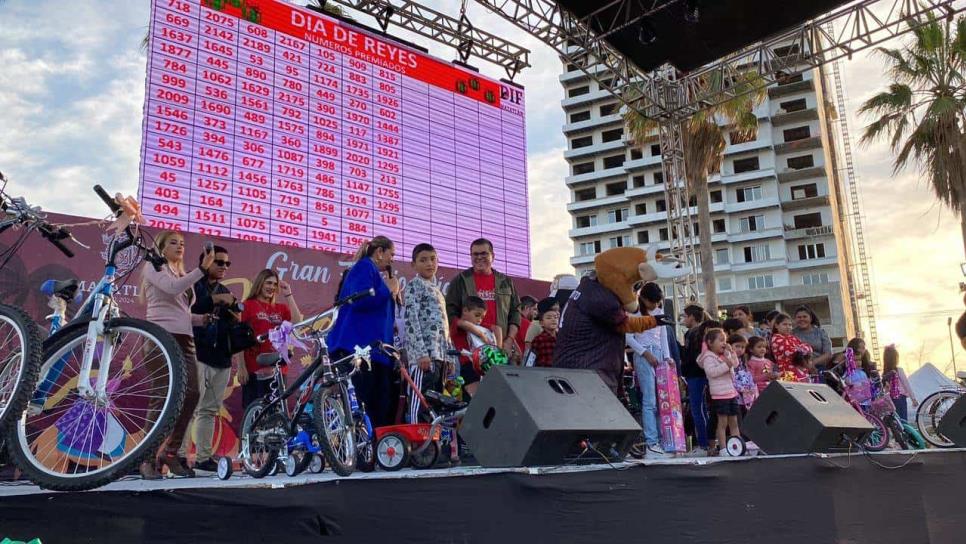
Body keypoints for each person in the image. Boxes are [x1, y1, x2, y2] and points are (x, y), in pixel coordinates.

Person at [138, 231, 213, 479]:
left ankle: (170, 452)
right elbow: (170, 290)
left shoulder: (181, 273)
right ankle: (146, 457)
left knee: (192, 394)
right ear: (160, 246)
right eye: (173, 242)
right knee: (162, 395)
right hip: (160, 337)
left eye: (182, 243)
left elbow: (180, 310)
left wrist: (202, 319)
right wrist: (201, 270)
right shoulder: (153, 265)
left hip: (185, 339)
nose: (180, 246)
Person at [326, 236, 399, 427]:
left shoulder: (375, 273)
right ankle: (359, 453)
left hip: (377, 353)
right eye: (391, 254)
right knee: (363, 406)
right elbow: (358, 300)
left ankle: (374, 452)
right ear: (379, 252)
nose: (393, 259)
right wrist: (388, 291)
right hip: (358, 349)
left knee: (380, 407)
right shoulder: (364, 267)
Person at [182, 245, 239, 473]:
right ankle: (178, 457)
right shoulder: (193, 284)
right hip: (198, 353)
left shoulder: (225, 290)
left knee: (209, 410)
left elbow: (233, 322)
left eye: (227, 263)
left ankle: (204, 458)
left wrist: (233, 312)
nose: (224, 267)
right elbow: (187, 311)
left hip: (221, 357)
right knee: (189, 407)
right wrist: (216, 300)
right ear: (206, 262)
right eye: (219, 262)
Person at [402, 243, 457, 424]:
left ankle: (432, 446)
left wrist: (448, 357)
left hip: (439, 356)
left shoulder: (438, 291)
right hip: (424, 357)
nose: (429, 264)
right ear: (413, 265)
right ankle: (418, 446)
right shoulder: (414, 286)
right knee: (421, 400)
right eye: (423, 260)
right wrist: (421, 354)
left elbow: (444, 328)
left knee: (435, 403)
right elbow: (411, 321)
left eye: (433, 259)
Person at [445, 238, 522, 357]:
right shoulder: (460, 280)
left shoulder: (505, 282)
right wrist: (472, 328)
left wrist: (510, 339)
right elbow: (449, 313)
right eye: (475, 254)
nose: (479, 257)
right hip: (470, 353)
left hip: (500, 351)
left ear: (493, 256)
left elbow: (515, 313)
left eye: (484, 253)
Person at [238, 269, 302, 409]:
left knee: (277, 411)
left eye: (274, 284)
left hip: (278, 369)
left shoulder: (281, 308)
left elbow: (297, 322)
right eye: (268, 283)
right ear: (259, 284)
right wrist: (241, 367)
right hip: (254, 367)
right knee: (254, 410)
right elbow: (239, 338)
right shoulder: (247, 305)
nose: (272, 287)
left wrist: (289, 294)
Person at [625, 283, 672, 458]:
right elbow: (628, 338)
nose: (655, 305)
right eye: (653, 302)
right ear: (643, 298)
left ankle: (664, 440)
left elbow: (664, 337)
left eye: (658, 302)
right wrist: (645, 353)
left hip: (659, 354)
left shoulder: (659, 313)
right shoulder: (634, 314)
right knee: (650, 400)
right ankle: (652, 443)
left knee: (663, 400)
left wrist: (667, 357)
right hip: (644, 355)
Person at [697, 328, 740, 456]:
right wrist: (727, 364)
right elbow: (712, 372)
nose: (724, 343)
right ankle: (722, 448)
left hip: (731, 392)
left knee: (734, 422)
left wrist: (732, 353)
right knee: (722, 423)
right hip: (720, 395)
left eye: (725, 340)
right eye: (720, 340)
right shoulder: (708, 357)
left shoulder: (724, 355)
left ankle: (737, 446)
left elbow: (735, 364)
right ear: (710, 342)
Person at [679, 304, 711, 456]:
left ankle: (704, 445)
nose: (684, 320)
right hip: (698, 375)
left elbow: (691, 357)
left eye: (685, 316)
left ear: (692, 317)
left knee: (698, 410)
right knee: (701, 410)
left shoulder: (695, 333)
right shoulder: (696, 333)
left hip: (696, 375)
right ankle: (706, 443)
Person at [451, 296, 491, 397]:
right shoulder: (456, 322)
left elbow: (497, 328)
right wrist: (482, 335)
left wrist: (495, 346)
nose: (479, 320)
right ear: (465, 310)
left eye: (482, 317)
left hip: (473, 364)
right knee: (474, 397)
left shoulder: (479, 326)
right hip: (460, 364)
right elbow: (464, 324)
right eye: (477, 315)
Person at [882, 345, 918, 422]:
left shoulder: (884, 373)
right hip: (900, 397)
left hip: (890, 399)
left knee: (896, 420)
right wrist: (913, 399)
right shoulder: (899, 370)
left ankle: (898, 433)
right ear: (895, 359)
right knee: (903, 419)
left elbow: (884, 389)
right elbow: (907, 385)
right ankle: (905, 433)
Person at [792, 306, 832, 371]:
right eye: (799, 317)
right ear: (795, 319)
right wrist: (804, 366)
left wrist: (812, 363)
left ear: (810, 318)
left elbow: (828, 354)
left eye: (805, 317)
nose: (802, 319)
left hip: (818, 366)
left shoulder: (821, 332)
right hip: (798, 368)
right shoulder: (792, 333)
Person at [526, 298, 560, 368]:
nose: (553, 319)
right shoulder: (539, 339)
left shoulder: (561, 337)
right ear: (541, 322)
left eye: (555, 317)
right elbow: (531, 356)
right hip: (543, 371)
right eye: (549, 318)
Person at [728, 334, 757, 409]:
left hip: (745, 396)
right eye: (737, 346)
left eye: (743, 347)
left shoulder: (743, 361)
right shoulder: (728, 360)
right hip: (735, 395)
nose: (740, 349)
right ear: (729, 345)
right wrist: (741, 389)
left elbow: (748, 375)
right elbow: (731, 378)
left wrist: (752, 387)